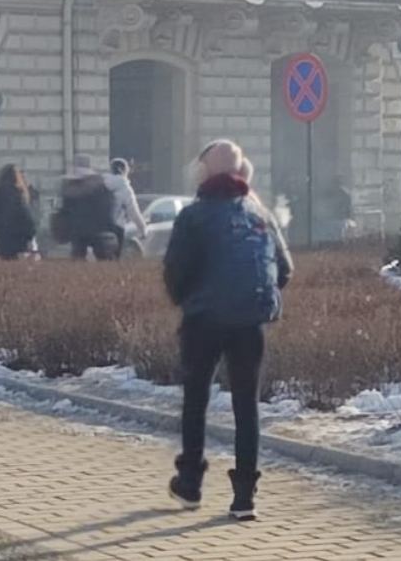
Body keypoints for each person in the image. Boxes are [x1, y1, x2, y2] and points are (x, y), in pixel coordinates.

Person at [163, 139, 293, 522]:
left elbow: (176, 271)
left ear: (205, 172)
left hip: (203, 321)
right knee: (245, 406)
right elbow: (284, 270)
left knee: (196, 400)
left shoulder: (194, 216)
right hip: (249, 323)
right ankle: (244, 498)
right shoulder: (260, 214)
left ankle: (189, 485)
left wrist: (189, 300)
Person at [58, 155, 119, 260]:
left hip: (77, 232)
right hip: (99, 229)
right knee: (104, 261)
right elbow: (108, 207)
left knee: (78, 259)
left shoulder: (70, 187)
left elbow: (65, 211)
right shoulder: (100, 186)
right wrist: (110, 226)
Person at [0, 164, 37, 261]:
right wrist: (31, 233)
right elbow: (26, 216)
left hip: (2, 241)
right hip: (19, 240)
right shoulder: (19, 195)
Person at [106, 158, 147, 254]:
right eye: (127, 169)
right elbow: (133, 211)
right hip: (116, 228)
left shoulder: (102, 184)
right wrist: (142, 229)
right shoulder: (125, 188)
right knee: (114, 262)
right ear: (121, 169)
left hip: (100, 227)